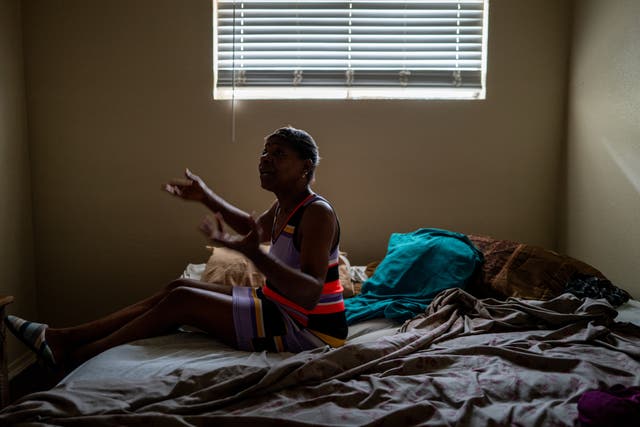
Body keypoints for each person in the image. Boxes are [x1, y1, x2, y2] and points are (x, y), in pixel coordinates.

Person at [5, 126, 348, 371]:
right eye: (264, 151)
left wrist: (253, 254)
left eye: (278, 154)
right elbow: (253, 228)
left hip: (310, 331)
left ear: (306, 167)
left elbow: (309, 293)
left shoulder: (316, 213)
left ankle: (75, 355)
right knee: (178, 287)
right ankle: (63, 338)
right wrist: (205, 196)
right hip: (278, 305)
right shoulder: (287, 205)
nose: (265, 159)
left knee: (183, 302)